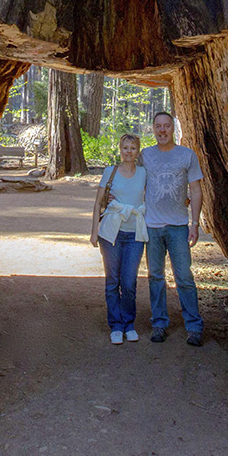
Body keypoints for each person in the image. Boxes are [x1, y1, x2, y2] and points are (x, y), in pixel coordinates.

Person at [142, 111, 204, 346]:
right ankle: (159, 323)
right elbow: (133, 180)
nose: (162, 130)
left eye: (166, 126)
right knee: (155, 276)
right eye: (158, 126)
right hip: (152, 226)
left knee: (184, 277)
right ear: (153, 129)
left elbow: (196, 190)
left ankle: (194, 326)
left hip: (178, 226)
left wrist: (195, 223)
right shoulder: (145, 155)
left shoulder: (186, 155)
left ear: (173, 128)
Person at [90, 133, 148, 344]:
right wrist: (93, 231)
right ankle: (115, 325)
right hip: (111, 233)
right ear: (120, 150)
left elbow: (153, 196)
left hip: (134, 233)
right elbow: (98, 203)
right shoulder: (110, 172)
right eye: (125, 148)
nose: (128, 152)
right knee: (112, 280)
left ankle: (129, 323)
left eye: (132, 148)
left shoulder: (143, 173)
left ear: (138, 151)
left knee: (129, 281)